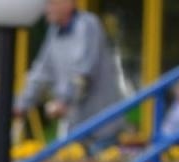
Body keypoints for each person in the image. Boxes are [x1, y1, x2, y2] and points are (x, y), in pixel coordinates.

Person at [13, 0, 127, 153]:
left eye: (51, 3)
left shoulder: (87, 25)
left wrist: (63, 101)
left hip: (101, 126)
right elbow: (42, 71)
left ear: (68, 3)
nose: (46, 9)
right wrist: (21, 104)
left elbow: (83, 70)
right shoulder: (54, 31)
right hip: (76, 126)